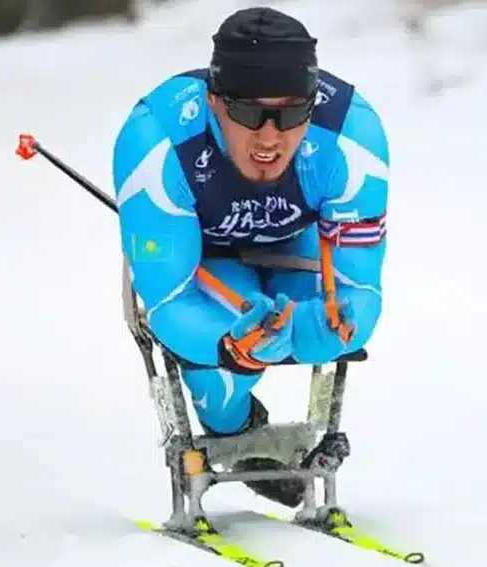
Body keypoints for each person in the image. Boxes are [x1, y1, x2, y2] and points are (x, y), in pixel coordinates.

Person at [111, 6, 389, 507]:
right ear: (214, 101)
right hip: (201, 256)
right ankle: (237, 428)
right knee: (219, 371)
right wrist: (227, 347)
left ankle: (275, 442)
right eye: (247, 113)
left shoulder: (352, 136)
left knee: (325, 330)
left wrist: (330, 328)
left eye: (291, 114)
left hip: (296, 246)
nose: (269, 137)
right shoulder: (157, 141)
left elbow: (362, 291)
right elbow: (168, 304)